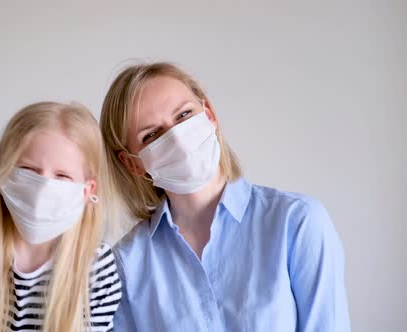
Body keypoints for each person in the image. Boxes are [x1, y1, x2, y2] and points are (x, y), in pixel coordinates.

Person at [100, 62, 350, 331]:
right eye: (151, 135)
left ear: (209, 115)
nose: (177, 139)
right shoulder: (125, 265)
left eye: (183, 115)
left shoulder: (297, 222)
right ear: (132, 163)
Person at [0, 102, 121, 332]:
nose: (42, 189)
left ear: (86, 191)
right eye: (29, 170)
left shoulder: (96, 267)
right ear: (4, 171)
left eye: (62, 176)